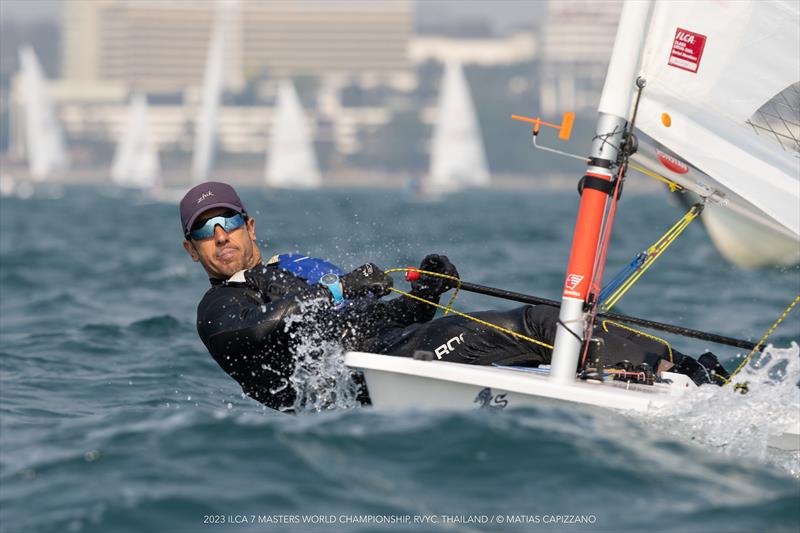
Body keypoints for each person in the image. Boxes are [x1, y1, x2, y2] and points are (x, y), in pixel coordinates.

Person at [181, 181, 728, 413]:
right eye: (206, 232)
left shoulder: (294, 272)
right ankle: (704, 388)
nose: (220, 237)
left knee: (549, 325)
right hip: (379, 381)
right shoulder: (217, 310)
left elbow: (362, 324)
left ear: (250, 225)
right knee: (540, 325)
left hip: (402, 352)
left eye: (227, 222)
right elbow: (260, 330)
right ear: (192, 250)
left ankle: (683, 374)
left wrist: (430, 297)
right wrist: (339, 286)